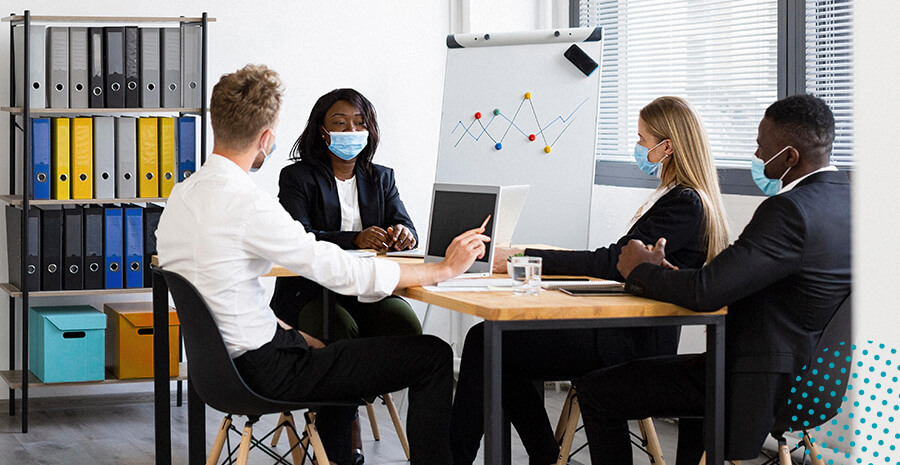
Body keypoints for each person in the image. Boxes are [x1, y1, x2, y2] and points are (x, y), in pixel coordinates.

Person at [156, 64, 490, 465]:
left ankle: (339, 456)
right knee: (432, 355)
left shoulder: (181, 196)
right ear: (266, 138)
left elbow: (223, 296)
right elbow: (340, 270)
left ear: (216, 122)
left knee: (337, 351)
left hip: (218, 370)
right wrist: (444, 269)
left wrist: (291, 335)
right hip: (264, 370)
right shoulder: (247, 202)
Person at [450, 96, 731, 465]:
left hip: (630, 339)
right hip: (623, 328)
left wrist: (524, 257)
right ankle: (544, 455)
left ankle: (473, 458)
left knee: (488, 342)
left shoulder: (686, 204)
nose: (639, 148)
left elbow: (614, 262)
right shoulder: (683, 200)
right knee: (496, 343)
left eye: (643, 140)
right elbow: (618, 261)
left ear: (668, 147)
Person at [574, 94, 851, 465]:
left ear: (789, 157)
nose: (755, 154)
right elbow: (731, 280)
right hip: (814, 381)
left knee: (596, 389)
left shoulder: (789, 211)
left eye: (761, 147)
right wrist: (665, 274)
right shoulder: (847, 202)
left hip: (753, 381)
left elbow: (707, 292)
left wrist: (640, 269)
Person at [270, 89, 422, 464]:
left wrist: (404, 233)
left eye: (359, 122)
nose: (351, 129)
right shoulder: (297, 177)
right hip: (309, 294)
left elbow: (406, 223)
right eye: (340, 123)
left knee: (407, 329)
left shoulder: (381, 178)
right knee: (341, 332)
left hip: (365, 290)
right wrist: (352, 239)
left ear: (369, 129)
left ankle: (348, 404)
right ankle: (341, 433)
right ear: (323, 131)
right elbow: (298, 236)